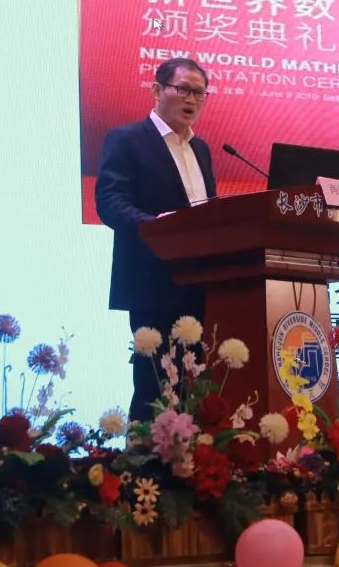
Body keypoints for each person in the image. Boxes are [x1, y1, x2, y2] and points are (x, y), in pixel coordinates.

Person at [95, 57, 216, 421]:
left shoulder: (201, 149)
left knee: (195, 387)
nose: (191, 99)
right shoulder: (127, 140)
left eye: (199, 92)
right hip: (152, 282)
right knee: (153, 386)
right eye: (183, 90)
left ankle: (191, 454)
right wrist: (155, 226)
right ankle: (143, 454)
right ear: (157, 90)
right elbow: (110, 201)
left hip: (201, 285)